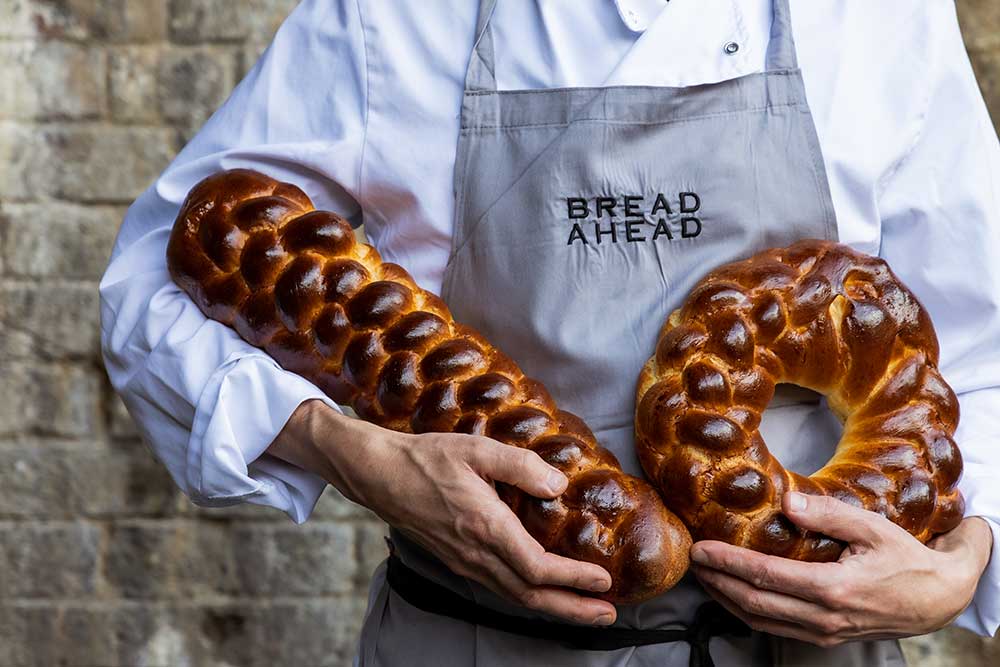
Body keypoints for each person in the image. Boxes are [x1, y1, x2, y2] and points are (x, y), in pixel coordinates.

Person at [100, 1, 1000, 665]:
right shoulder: (393, 19)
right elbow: (153, 282)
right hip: (478, 643)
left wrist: (965, 558)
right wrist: (344, 448)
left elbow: (982, 348)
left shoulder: (881, 19)